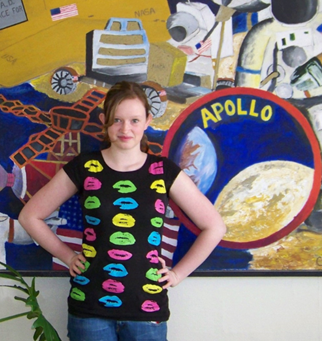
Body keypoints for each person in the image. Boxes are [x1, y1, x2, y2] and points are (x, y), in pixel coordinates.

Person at [18, 81, 226, 341]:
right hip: (89, 307)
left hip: (146, 309)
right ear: (105, 120)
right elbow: (30, 216)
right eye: (117, 120)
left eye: (134, 120)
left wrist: (177, 274)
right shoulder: (85, 166)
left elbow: (215, 227)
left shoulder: (164, 171)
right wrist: (67, 256)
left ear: (148, 121)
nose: (125, 129)